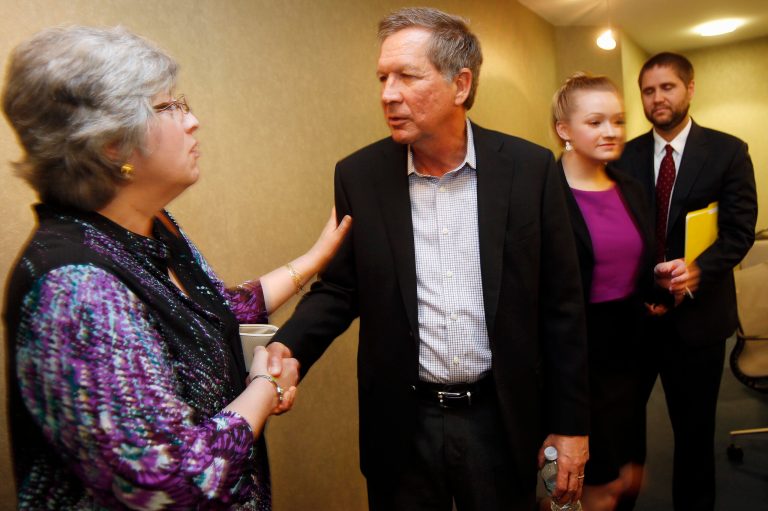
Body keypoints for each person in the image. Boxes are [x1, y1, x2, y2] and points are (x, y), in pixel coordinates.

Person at [2, 25, 350, 510]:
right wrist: (265, 389)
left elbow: (208, 310)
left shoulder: (150, 227)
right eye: (169, 108)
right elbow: (165, 484)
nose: (193, 122)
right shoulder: (77, 289)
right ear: (111, 144)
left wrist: (313, 259)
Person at [266, 7, 590, 511]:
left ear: (460, 85)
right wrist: (290, 347)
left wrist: (570, 425)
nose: (387, 94)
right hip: (402, 422)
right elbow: (341, 288)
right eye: (382, 78)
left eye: (407, 77)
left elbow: (563, 306)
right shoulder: (360, 176)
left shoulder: (529, 170)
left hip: (500, 418)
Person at [618, 52, 757, 511]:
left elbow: (739, 231)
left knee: (694, 437)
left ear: (690, 89)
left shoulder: (727, 151)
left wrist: (697, 270)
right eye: (648, 90)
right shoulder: (623, 154)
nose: (657, 98)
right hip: (633, 321)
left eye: (667, 87)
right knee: (622, 432)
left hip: (697, 322)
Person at [551, 73, 687, 511]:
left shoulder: (629, 187)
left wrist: (661, 282)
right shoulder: (543, 194)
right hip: (576, 358)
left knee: (630, 476)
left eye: (617, 120)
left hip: (630, 352)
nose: (611, 131)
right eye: (595, 122)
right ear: (564, 129)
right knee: (595, 487)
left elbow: (631, 266)